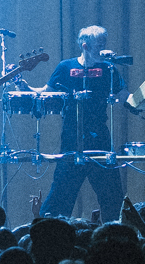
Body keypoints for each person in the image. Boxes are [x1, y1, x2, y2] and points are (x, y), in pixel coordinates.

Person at [40, 25, 125, 219]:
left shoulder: (109, 69)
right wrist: (23, 85)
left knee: (112, 195)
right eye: (99, 45)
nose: (103, 49)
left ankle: (118, 235)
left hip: (99, 138)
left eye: (104, 44)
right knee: (61, 194)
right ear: (85, 46)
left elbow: (124, 95)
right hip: (72, 137)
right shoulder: (65, 67)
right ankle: (48, 232)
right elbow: (46, 93)